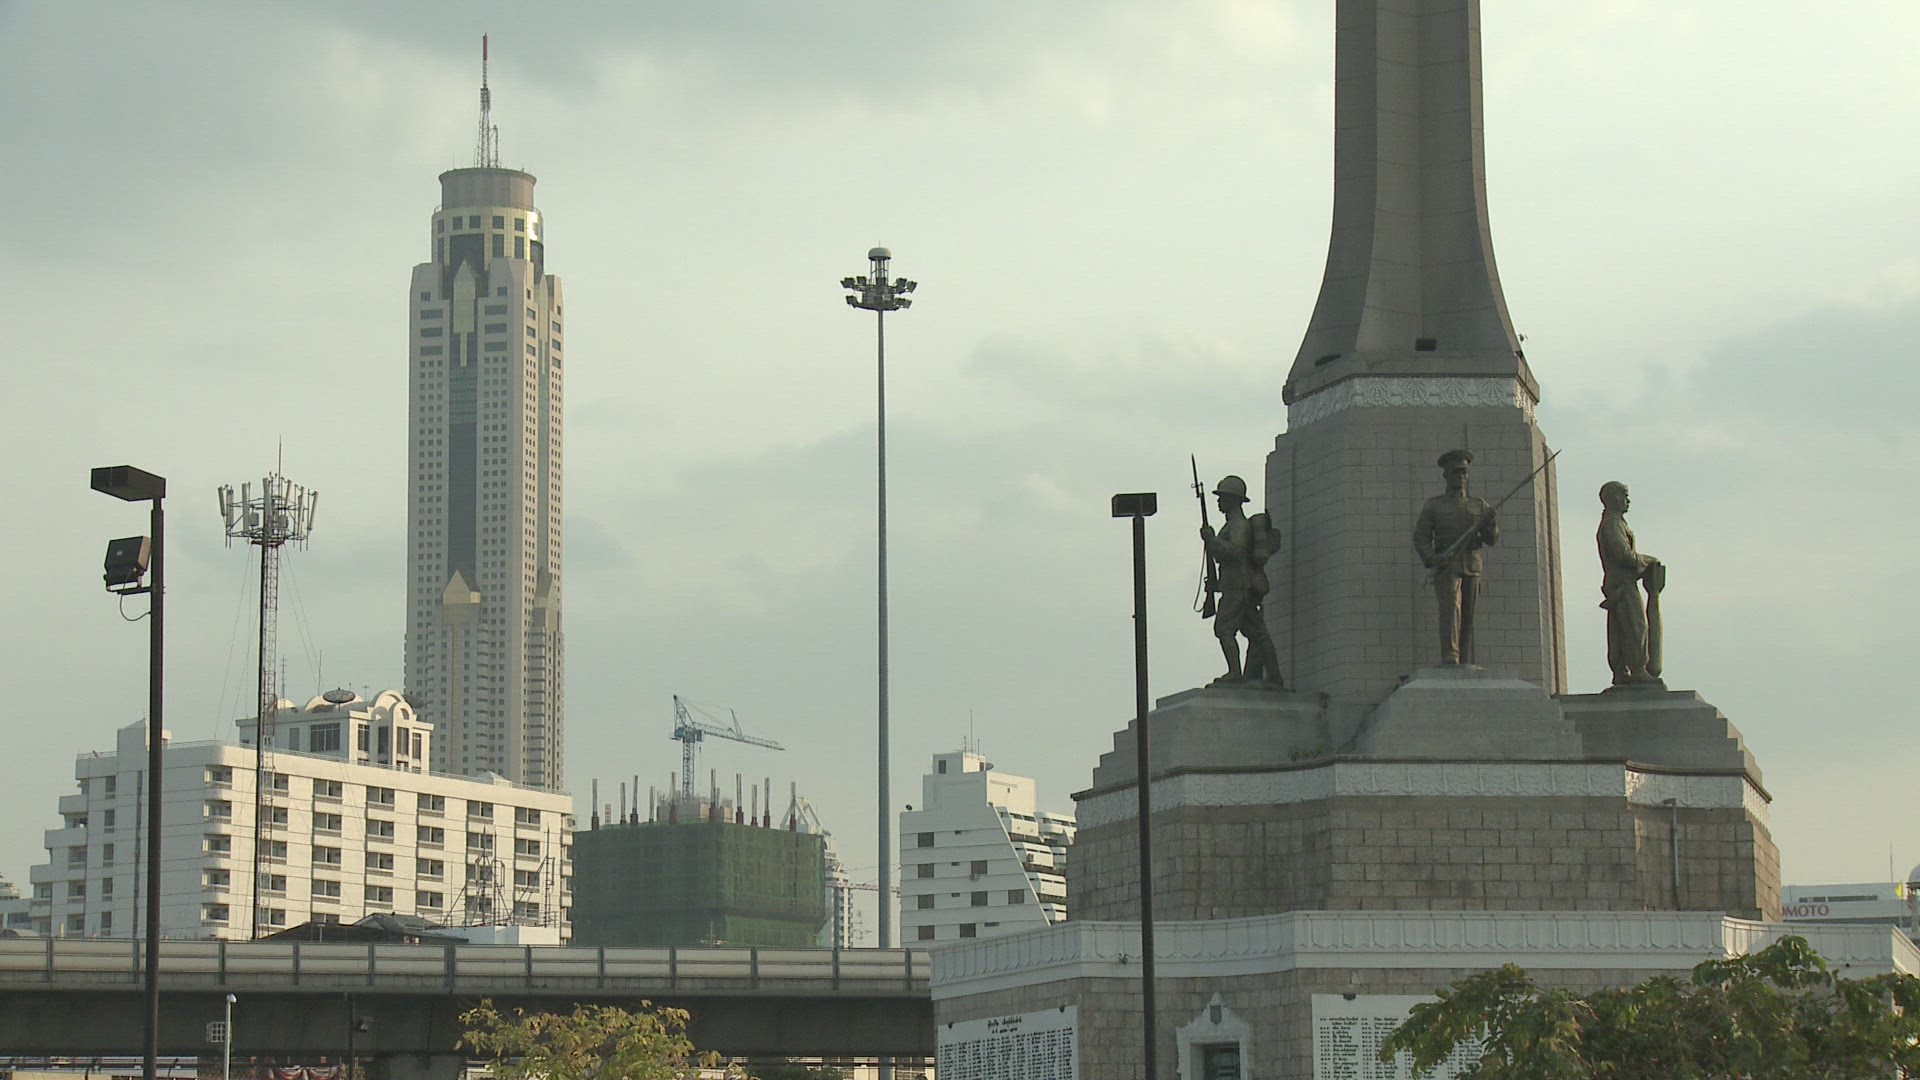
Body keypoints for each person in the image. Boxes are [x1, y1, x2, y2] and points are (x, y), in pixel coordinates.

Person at [1412, 449, 1499, 665]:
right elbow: (1421, 536)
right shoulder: (1434, 506)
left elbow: (1491, 539)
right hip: (1447, 564)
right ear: (1446, 475)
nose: (1460, 476)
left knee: (1468, 614)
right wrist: (1433, 558)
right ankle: (1450, 654)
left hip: (1471, 563)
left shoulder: (1479, 505)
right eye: (1456, 472)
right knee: (1451, 609)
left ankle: (1464, 657)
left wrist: (1491, 523)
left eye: (1464, 472)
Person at [1199, 475, 1282, 687]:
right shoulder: (1232, 524)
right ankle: (1274, 677)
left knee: (1224, 629)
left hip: (1236, 585)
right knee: (1257, 633)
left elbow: (1234, 552)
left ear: (1234, 500)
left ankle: (1235, 673)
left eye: (1223, 497)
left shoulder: (1238, 525)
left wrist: (1211, 540)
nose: (1219, 501)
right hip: (1237, 583)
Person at [1597, 480, 1663, 685]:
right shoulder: (1612, 524)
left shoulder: (1616, 523)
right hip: (1622, 584)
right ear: (1613, 498)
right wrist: (1648, 561)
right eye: (1624, 495)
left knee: (1621, 629)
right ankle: (1637, 670)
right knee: (1636, 627)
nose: (1628, 500)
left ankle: (1622, 671)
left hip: (1619, 585)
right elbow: (1625, 557)